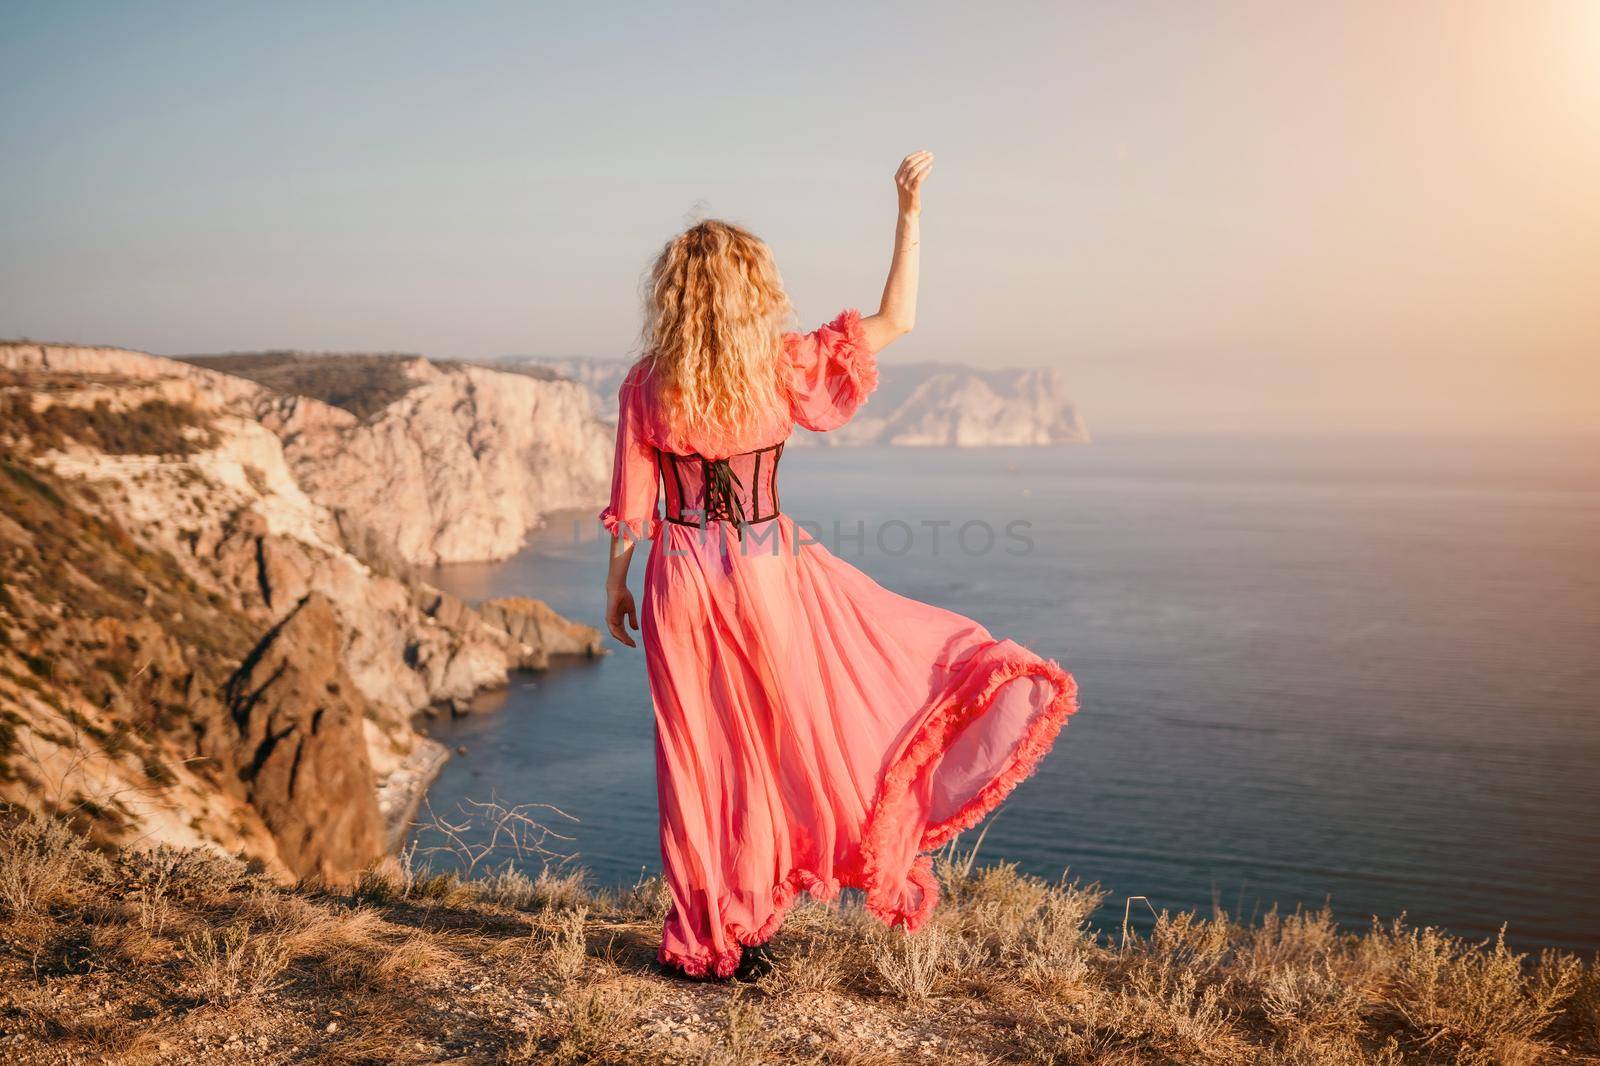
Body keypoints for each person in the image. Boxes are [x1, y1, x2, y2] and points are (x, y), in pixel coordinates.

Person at [601, 151, 1078, 979]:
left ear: (673, 295)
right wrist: (909, 215)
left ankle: (707, 933)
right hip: (765, 576)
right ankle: (755, 923)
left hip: (677, 575)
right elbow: (898, 320)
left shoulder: (646, 384)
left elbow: (631, 506)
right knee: (786, 745)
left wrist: (613, 585)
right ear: (754, 289)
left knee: (696, 757)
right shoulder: (781, 366)